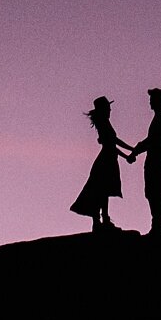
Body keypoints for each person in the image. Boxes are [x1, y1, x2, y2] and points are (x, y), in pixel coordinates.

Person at [68, 97, 129, 231]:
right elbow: (112, 144)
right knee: (102, 191)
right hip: (106, 160)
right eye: (108, 108)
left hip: (108, 159)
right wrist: (129, 153)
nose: (110, 110)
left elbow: (112, 143)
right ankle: (102, 221)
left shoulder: (104, 123)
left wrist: (129, 152)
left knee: (102, 191)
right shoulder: (104, 123)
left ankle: (101, 220)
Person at [136, 87, 161, 237]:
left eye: (152, 99)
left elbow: (153, 140)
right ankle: (157, 225)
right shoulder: (159, 117)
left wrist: (136, 149)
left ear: (159, 100)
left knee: (154, 190)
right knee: (151, 191)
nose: (150, 102)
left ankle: (159, 226)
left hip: (156, 156)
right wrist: (137, 149)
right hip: (153, 156)